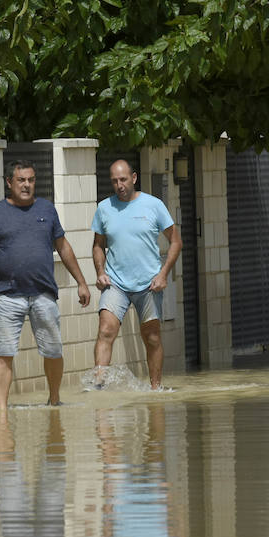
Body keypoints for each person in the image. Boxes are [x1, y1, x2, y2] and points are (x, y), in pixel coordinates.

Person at [0, 160, 91, 410]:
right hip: (8, 295)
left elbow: (63, 247)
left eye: (31, 180)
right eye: (21, 180)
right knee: (3, 352)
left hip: (43, 294)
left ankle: (54, 401)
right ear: (9, 183)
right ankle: (2, 411)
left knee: (53, 350)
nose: (26, 185)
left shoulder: (47, 209)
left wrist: (81, 282)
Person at [91, 158, 181, 390]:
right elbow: (98, 245)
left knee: (151, 338)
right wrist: (100, 272)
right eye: (114, 181)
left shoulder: (154, 205)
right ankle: (98, 385)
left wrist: (163, 275)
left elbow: (175, 242)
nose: (119, 185)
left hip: (148, 283)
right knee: (105, 330)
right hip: (116, 283)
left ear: (133, 178)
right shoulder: (104, 208)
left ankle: (155, 388)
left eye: (123, 179)